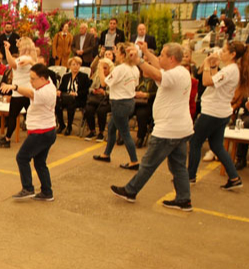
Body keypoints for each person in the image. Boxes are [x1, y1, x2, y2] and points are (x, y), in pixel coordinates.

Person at [111, 43, 194, 211]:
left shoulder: (175, 74)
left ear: (171, 58)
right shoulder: (179, 71)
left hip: (168, 130)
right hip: (179, 128)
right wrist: (147, 52)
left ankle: (131, 190)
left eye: (162, 55)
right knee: (177, 166)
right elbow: (158, 67)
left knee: (148, 163)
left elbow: (156, 73)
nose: (160, 57)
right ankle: (184, 199)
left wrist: (139, 60)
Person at [187, 41, 249, 189]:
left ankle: (190, 176)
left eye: (224, 51)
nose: (221, 53)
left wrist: (206, 64)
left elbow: (206, 81)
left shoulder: (230, 70)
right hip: (220, 111)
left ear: (232, 55)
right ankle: (234, 177)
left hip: (213, 111)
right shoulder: (232, 69)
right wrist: (212, 66)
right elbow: (215, 82)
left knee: (195, 141)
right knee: (217, 145)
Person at [0, 64, 58, 201]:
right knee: (39, 162)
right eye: (30, 79)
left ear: (43, 78)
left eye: (33, 79)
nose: (31, 82)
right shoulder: (47, 83)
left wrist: (14, 87)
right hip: (47, 131)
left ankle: (28, 188)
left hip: (41, 133)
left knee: (22, 157)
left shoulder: (46, 91)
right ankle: (47, 192)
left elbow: (31, 94)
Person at [92, 43, 140, 170]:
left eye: (117, 51)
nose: (115, 54)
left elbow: (103, 83)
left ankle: (134, 160)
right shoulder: (134, 68)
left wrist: (101, 68)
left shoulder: (120, 69)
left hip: (120, 103)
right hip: (129, 101)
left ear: (123, 55)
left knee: (125, 133)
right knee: (112, 127)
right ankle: (106, 154)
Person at [0, 37, 36, 148]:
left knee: (15, 116)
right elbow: (12, 64)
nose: (17, 42)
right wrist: (8, 50)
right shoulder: (28, 58)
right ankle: (9, 138)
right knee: (27, 116)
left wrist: (7, 50)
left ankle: (8, 139)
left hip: (21, 92)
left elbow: (13, 65)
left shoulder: (25, 58)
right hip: (22, 91)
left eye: (19, 41)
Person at [56, 57, 91, 135]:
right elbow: (61, 88)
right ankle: (61, 124)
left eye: (78, 64)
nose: (76, 66)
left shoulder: (84, 76)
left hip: (79, 99)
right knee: (57, 105)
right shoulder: (66, 76)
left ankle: (69, 126)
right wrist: (59, 91)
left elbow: (86, 90)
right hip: (66, 97)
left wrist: (76, 93)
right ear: (69, 66)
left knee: (71, 105)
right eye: (73, 64)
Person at [83, 59, 113, 141]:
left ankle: (101, 132)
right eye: (102, 68)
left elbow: (114, 92)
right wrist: (94, 90)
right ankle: (92, 131)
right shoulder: (97, 77)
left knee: (101, 111)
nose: (103, 70)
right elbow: (90, 88)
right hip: (96, 99)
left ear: (110, 68)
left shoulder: (112, 77)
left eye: (105, 68)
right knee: (88, 109)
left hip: (107, 101)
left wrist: (104, 92)